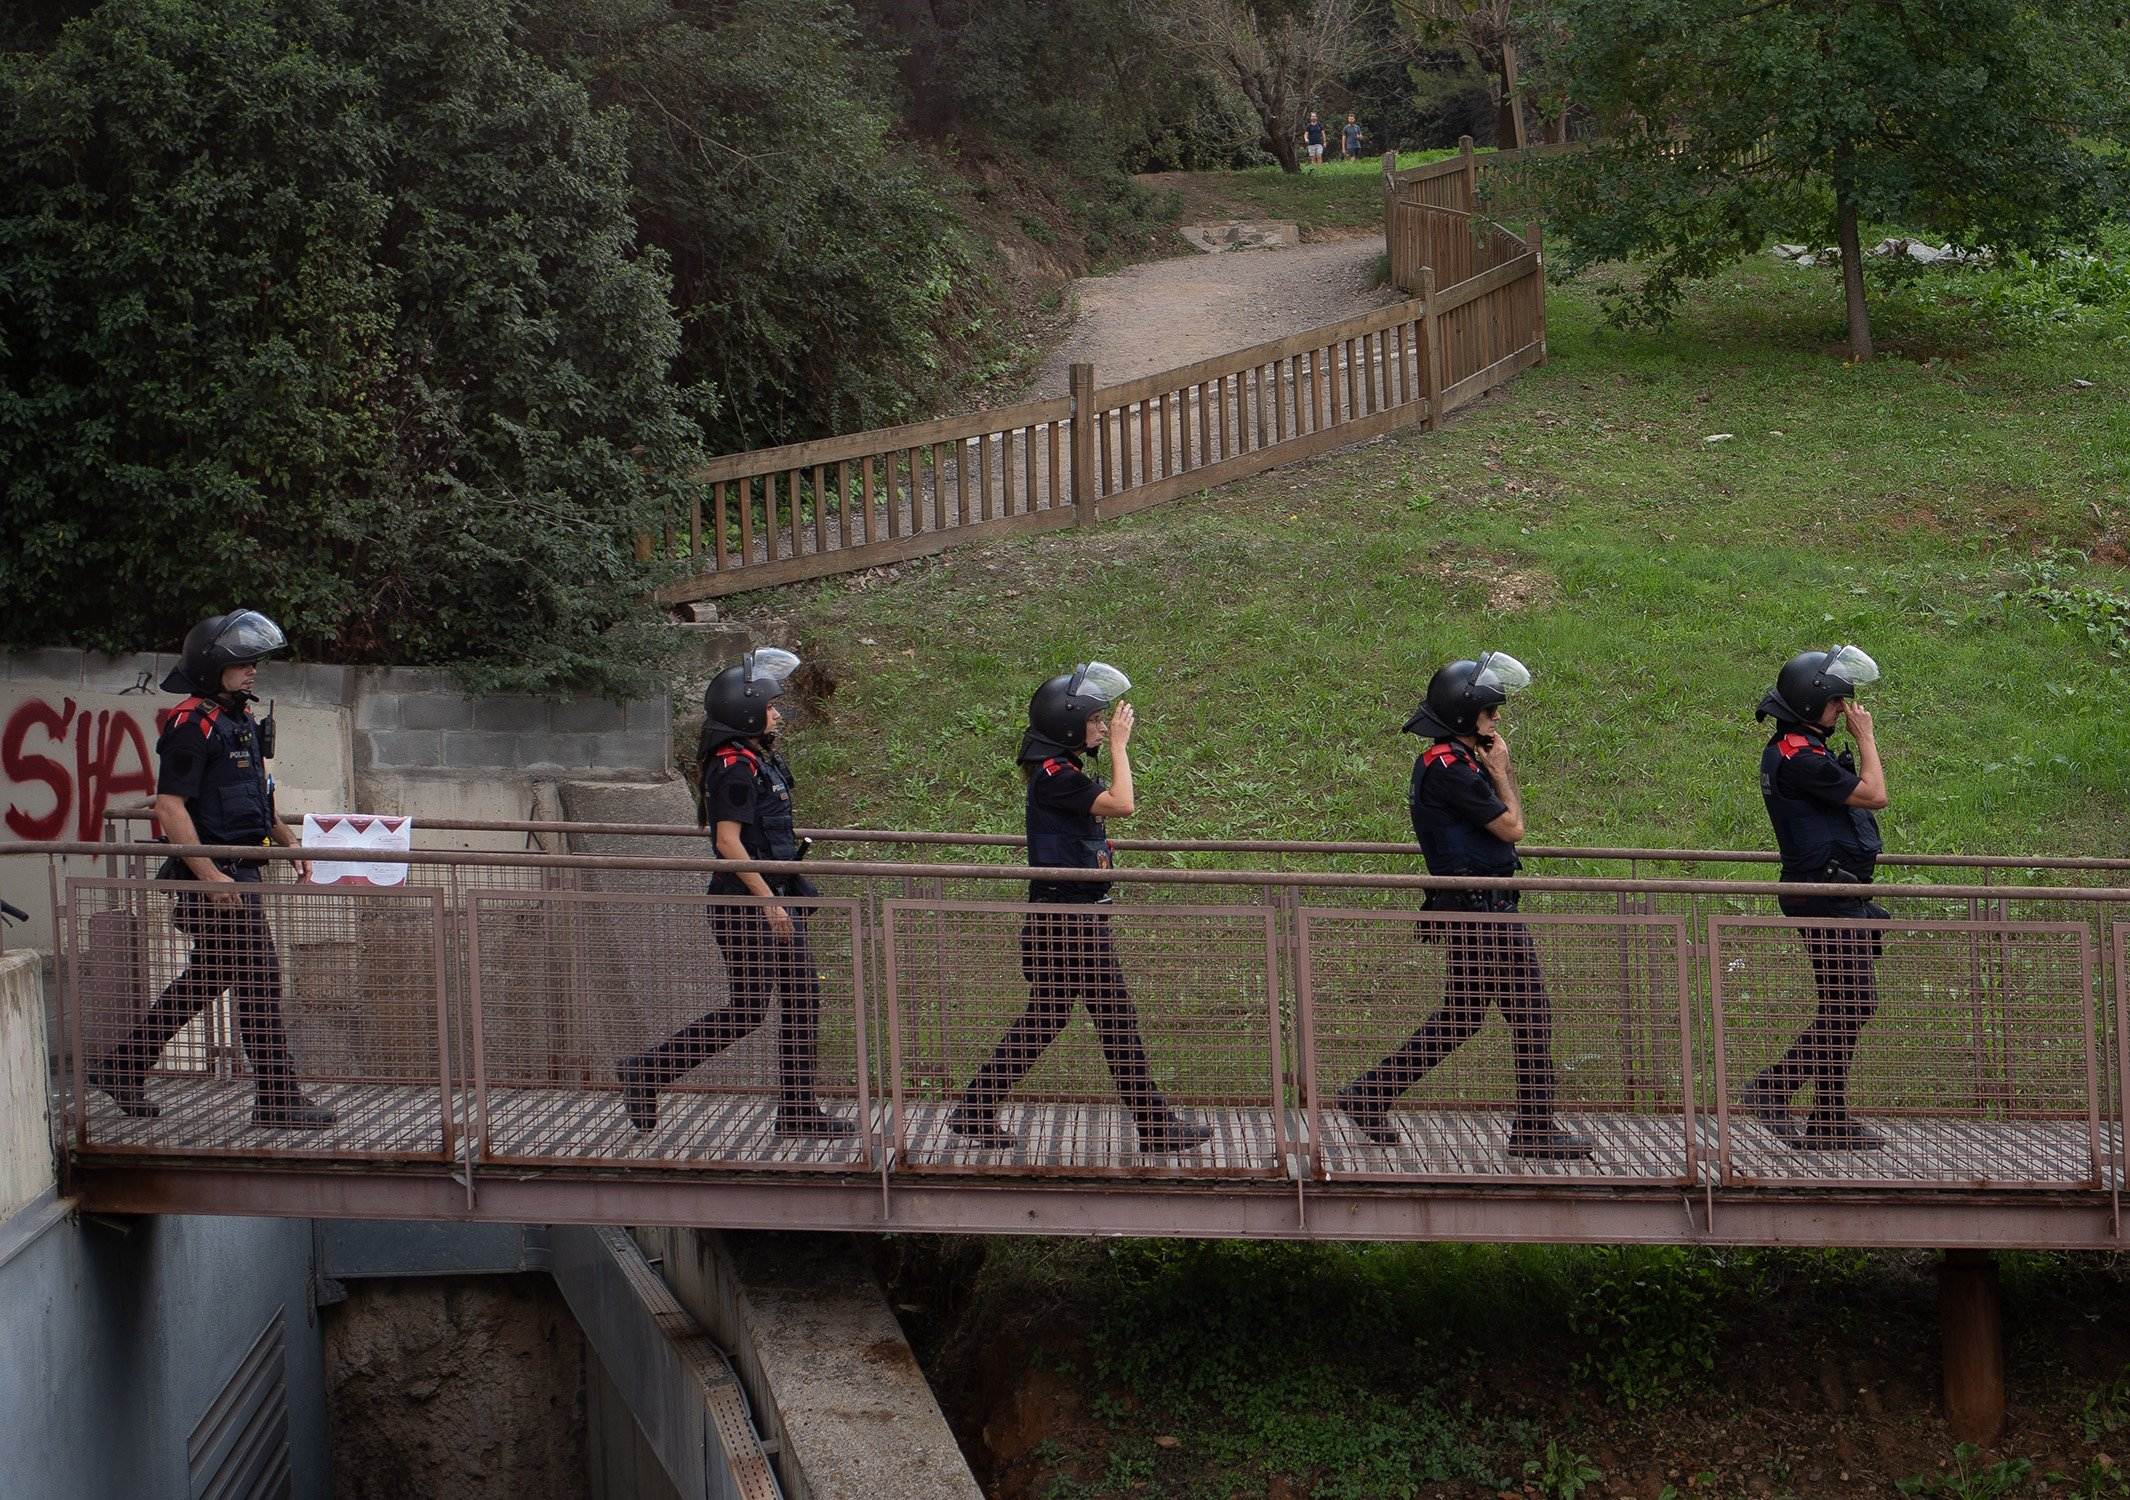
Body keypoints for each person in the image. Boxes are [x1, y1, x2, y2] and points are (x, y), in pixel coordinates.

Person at [947, 663, 1212, 1155]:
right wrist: (1119, 746)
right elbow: (1122, 803)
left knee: (1049, 1018)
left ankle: (976, 1108)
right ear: (1068, 726)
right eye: (1094, 720)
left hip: (1069, 918)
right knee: (1115, 1017)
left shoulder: (1061, 772)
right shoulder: (1054, 777)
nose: (1102, 726)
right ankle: (1155, 1127)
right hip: (1068, 921)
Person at [1338, 653, 1594, 1160]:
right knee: (1531, 1014)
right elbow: (1513, 828)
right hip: (1482, 909)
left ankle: (1370, 1094)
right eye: (1490, 712)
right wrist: (1502, 771)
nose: (1497, 719)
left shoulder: (1449, 762)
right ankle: (1535, 1129)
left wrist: (1497, 769)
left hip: (1476, 906)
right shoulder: (1452, 769)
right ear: (1464, 717)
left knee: (1463, 1015)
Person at [89, 610, 335, 1129]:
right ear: (212, 667)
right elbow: (170, 807)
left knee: (212, 975)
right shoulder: (189, 723)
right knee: (261, 980)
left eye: (253, 663)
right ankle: (277, 1098)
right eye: (242, 664)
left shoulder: (239, 719)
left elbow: (257, 797)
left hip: (242, 870)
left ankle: (122, 1065)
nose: (253, 672)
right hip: (214, 878)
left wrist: (291, 844)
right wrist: (209, 876)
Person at [618, 649, 854, 1138]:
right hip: (748, 906)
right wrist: (769, 902)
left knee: (802, 996)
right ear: (746, 710)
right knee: (748, 1010)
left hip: (772, 898)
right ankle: (646, 1071)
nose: (777, 713)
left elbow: (762, 832)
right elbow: (727, 842)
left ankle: (797, 1111)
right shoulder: (734, 767)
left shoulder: (753, 761)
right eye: (770, 706)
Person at [1744, 646, 1891, 1151]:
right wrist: (1867, 738)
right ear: (1811, 703)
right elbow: (1875, 794)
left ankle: (1827, 1116)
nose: (1844, 712)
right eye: (1836, 703)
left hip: (1837, 890)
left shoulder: (1803, 747)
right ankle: (1773, 1088)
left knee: (1844, 1004)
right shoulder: (1799, 757)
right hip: (1824, 894)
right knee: (1854, 1003)